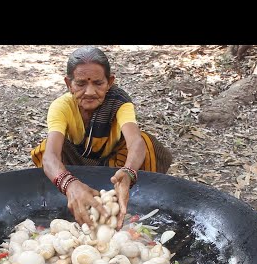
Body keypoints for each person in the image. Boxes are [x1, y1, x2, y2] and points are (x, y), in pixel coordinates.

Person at [31, 46, 172, 230]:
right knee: (44, 149)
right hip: (76, 164)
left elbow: (135, 142)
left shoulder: (120, 103)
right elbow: (50, 157)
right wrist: (70, 184)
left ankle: (135, 200)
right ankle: (68, 199)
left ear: (110, 81)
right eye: (81, 84)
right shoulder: (61, 107)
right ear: (68, 83)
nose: (90, 92)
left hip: (113, 164)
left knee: (146, 143)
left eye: (98, 83)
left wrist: (129, 172)